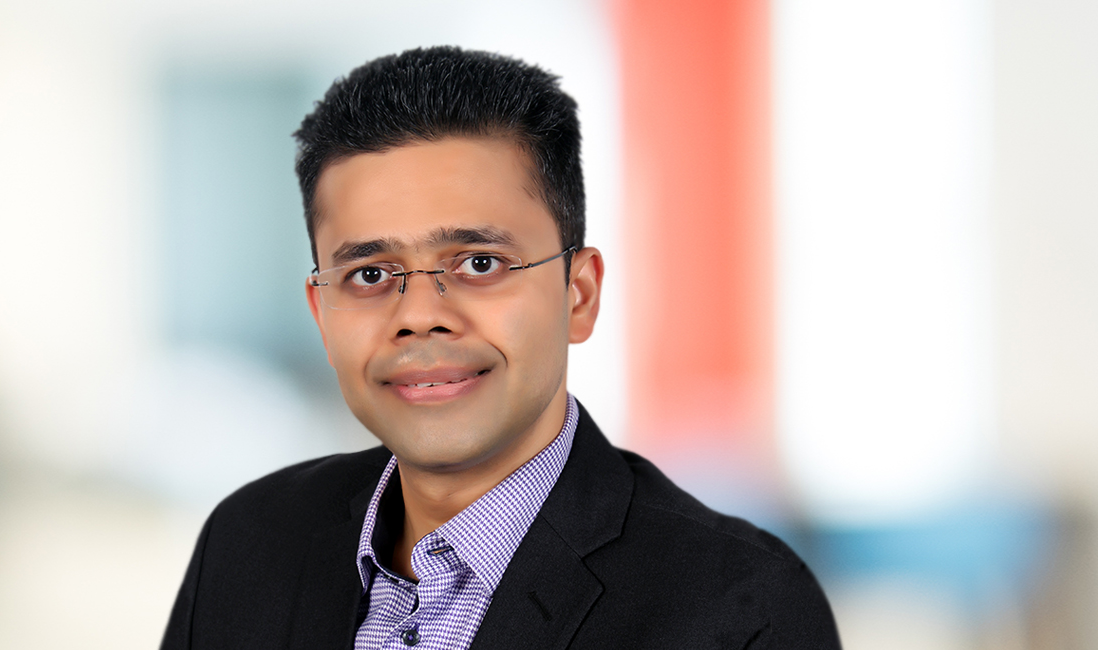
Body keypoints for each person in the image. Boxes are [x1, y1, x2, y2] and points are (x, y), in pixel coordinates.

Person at [158, 46, 839, 650]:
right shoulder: (248, 543)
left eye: (478, 264)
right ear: (321, 314)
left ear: (578, 294)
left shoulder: (742, 611)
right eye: (369, 275)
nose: (419, 317)